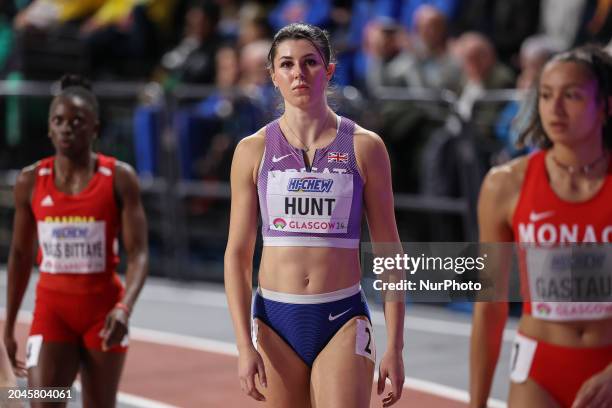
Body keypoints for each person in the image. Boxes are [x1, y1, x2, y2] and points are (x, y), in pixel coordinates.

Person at [224, 23, 405, 407]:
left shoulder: (365, 147)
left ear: (329, 70)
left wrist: (396, 346)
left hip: (343, 316)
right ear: (273, 76)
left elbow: (391, 251)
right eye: (286, 65)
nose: (298, 73)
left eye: (309, 62)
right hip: (275, 321)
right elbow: (238, 255)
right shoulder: (252, 151)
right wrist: (243, 345)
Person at [470, 45, 612, 408]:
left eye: (573, 95)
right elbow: (490, 306)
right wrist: (477, 403)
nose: (555, 108)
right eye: (546, 95)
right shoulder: (504, 185)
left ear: (606, 106)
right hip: (540, 370)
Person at [3, 74, 148, 407]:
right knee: (44, 400)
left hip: (104, 315)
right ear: (49, 129)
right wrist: (8, 328)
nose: (67, 128)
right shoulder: (31, 180)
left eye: (77, 121)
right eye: (59, 121)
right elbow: (21, 255)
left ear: (95, 128)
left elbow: (138, 252)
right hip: (52, 312)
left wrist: (125, 308)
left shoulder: (119, 178)